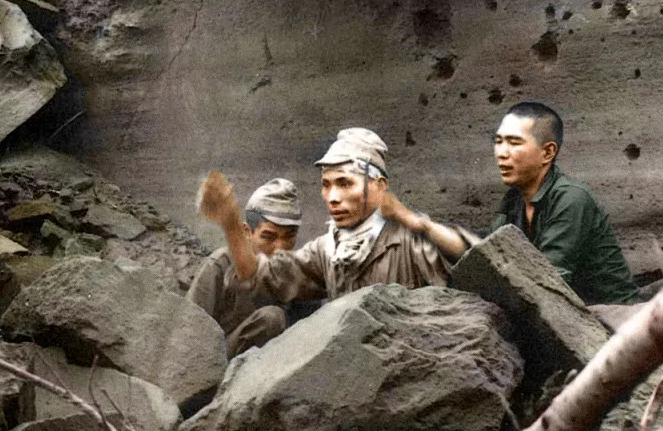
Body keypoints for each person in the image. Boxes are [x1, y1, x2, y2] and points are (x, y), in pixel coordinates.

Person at [196, 128, 476, 303]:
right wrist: (231, 225)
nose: (332, 197)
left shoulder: (407, 241)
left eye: (344, 183)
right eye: (326, 185)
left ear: (378, 186)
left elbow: (475, 261)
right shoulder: (328, 249)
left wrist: (420, 225)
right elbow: (264, 278)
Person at [491, 102, 639, 305]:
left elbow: (549, 280)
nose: (501, 153)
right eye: (498, 141)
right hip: (561, 311)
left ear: (548, 152)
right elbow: (491, 252)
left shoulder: (571, 198)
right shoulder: (513, 199)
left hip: (613, 319)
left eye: (514, 143)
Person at [187, 178, 301, 358]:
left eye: (289, 237)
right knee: (271, 318)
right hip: (216, 362)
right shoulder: (221, 264)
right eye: (269, 237)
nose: (280, 247)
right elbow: (187, 328)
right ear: (247, 232)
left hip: (276, 365)